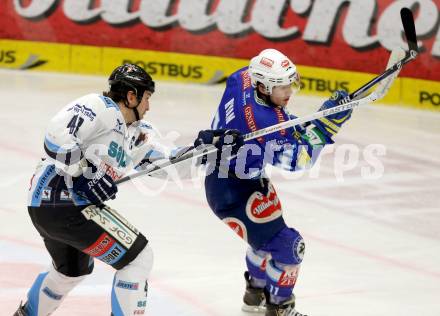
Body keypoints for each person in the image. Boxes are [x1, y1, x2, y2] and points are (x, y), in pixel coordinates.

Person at [14, 64, 239, 316]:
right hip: (61, 198)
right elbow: (56, 136)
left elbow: (170, 165)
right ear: (131, 96)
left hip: (47, 208)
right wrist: (85, 171)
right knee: (138, 258)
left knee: (70, 271)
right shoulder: (99, 107)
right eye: (147, 98)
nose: (148, 106)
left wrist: (209, 149)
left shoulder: (140, 134)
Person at [203, 49, 353, 316]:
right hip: (233, 192)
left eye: (289, 83)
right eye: (282, 86)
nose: (289, 91)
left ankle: (255, 296)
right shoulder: (265, 124)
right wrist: (326, 126)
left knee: (266, 243)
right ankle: (279, 307)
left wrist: (312, 121)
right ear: (263, 85)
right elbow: (299, 161)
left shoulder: (242, 78)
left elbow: (278, 121)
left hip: (231, 179)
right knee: (289, 247)